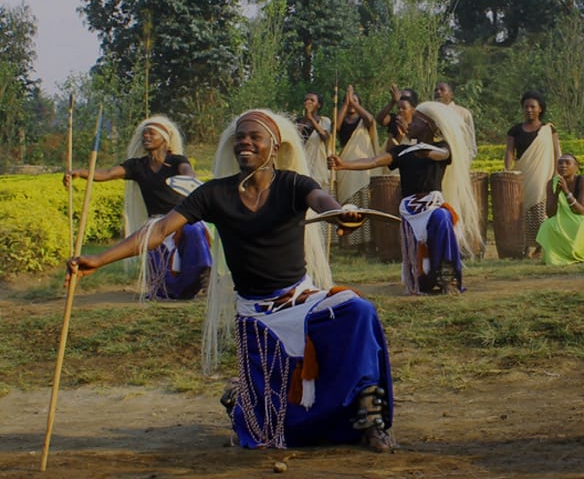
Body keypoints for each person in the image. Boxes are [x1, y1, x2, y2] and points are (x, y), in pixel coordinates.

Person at [68, 109, 397, 453]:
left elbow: (324, 204)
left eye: (255, 137)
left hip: (302, 299)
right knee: (264, 433)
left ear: (274, 145)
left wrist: (343, 214)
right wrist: (99, 259)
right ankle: (243, 397)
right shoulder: (215, 194)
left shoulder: (294, 184)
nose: (245, 142)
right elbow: (161, 230)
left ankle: (369, 418)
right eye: (241, 136)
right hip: (258, 317)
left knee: (358, 311)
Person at [330, 99, 481, 294]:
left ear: (430, 125)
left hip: (433, 206)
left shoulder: (441, 147)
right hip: (410, 211)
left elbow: (443, 154)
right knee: (421, 253)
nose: (410, 124)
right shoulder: (402, 151)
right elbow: (374, 161)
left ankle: (448, 278)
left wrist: (427, 152)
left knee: (442, 218)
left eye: (416, 121)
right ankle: (423, 279)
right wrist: (343, 164)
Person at [64, 115, 212, 300]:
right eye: (144, 134)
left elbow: (187, 172)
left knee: (194, 230)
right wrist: (81, 172)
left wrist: (189, 180)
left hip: (180, 218)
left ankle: (205, 276)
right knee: (164, 291)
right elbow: (108, 173)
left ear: (164, 138)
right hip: (157, 223)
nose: (146, 137)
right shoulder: (137, 165)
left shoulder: (176, 160)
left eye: (152, 133)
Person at [504, 90, 561, 258]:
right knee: (523, 212)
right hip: (522, 174)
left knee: (540, 210)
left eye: (532, 107)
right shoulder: (514, 130)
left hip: (543, 175)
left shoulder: (548, 130)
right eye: (526, 107)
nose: (529, 110)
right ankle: (526, 246)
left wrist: (556, 173)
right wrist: (508, 171)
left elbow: (557, 152)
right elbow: (509, 152)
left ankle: (541, 246)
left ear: (540, 109)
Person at [536, 153, 584, 265]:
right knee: (547, 225)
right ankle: (556, 257)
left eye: (567, 163)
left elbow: (582, 210)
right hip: (563, 217)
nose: (563, 166)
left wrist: (566, 192)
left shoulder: (583, 180)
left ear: (576, 167)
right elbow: (550, 214)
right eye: (560, 163)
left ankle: (581, 255)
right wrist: (556, 193)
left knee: (582, 224)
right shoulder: (551, 183)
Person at [333, 86, 379, 247]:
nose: (352, 104)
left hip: (362, 165)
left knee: (363, 201)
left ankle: (366, 241)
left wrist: (354, 102)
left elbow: (371, 120)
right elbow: (335, 129)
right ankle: (348, 240)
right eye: (350, 101)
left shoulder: (363, 121)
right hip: (345, 164)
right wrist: (345, 103)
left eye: (355, 101)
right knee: (347, 201)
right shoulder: (342, 118)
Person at [295, 92, 332, 186]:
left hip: (317, 166)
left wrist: (311, 118)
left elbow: (324, 137)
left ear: (319, 105)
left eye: (312, 100)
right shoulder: (298, 121)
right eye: (306, 100)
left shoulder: (324, 121)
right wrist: (305, 119)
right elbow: (296, 139)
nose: (308, 102)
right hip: (302, 164)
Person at [433, 81, 477, 158]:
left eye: (442, 90)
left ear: (451, 94)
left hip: (458, 158)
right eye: (436, 90)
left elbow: (470, 139)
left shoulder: (463, 113)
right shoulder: (429, 113)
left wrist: (469, 157)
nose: (438, 92)